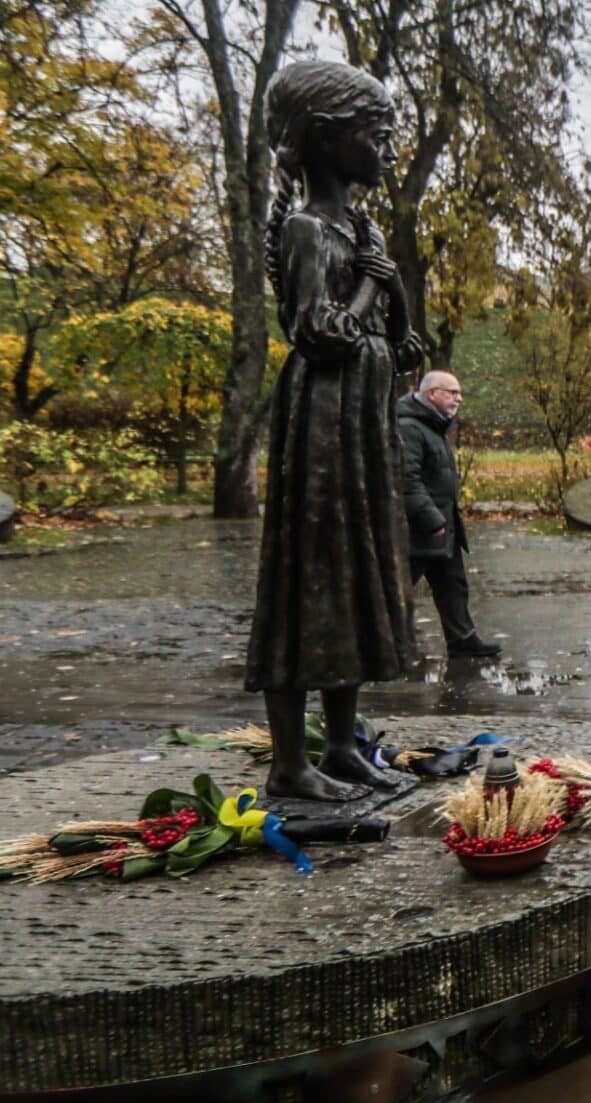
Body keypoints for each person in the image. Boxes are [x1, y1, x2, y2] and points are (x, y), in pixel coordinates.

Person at [245, 60, 421, 802]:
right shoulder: (308, 229)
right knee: (306, 580)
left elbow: (398, 342)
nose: (384, 152)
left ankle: (343, 745)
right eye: (375, 137)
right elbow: (319, 331)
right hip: (321, 420)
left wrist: (392, 296)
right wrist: (375, 280)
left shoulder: (359, 227)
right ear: (325, 139)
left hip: (358, 423)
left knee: (347, 579)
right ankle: (291, 763)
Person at [399, 370, 500, 659]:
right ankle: (377, 647)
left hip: (442, 526)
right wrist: (430, 519)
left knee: (453, 585)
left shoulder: (433, 426)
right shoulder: (410, 427)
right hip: (419, 529)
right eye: (452, 392)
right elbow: (407, 480)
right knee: (397, 591)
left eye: (459, 393)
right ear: (432, 394)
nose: (459, 399)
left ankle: (463, 640)